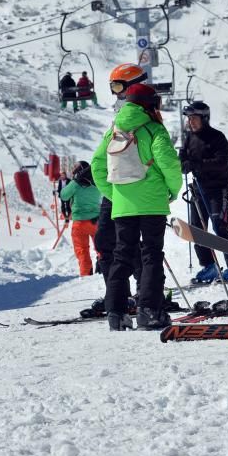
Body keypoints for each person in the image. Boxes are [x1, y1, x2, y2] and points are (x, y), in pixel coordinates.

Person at [91, 83, 182, 330]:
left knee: (121, 254)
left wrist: (116, 194)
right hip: (152, 201)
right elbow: (169, 163)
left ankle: (116, 314)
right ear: (151, 105)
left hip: (122, 205)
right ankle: (149, 311)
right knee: (151, 253)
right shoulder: (154, 130)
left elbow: (97, 167)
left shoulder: (113, 131)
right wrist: (172, 190)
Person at [82, 64, 148, 319]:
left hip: (131, 188)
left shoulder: (142, 113)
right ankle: (118, 293)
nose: (115, 93)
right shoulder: (121, 113)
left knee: (135, 243)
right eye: (112, 88)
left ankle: (146, 292)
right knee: (105, 242)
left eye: (119, 87)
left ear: (132, 87)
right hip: (113, 186)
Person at [179, 100, 228, 282]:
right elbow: (183, 158)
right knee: (196, 229)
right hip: (198, 190)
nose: (190, 122)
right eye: (189, 118)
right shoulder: (188, 138)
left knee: (220, 226)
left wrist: (196, 164)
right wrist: (182, 163)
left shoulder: (217, 137)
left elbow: (220, 162)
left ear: (204, 118)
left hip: (218, 189)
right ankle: (209, 266)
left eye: (194, 118)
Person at [60, 161, 102, 277]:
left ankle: (86, 274)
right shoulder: (96, 182)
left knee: (82, 250)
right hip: (96, 221)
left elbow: (64, 195)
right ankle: (103, 267)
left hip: (79, 223)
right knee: (101, 247)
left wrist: (72, 182)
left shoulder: (75, 183)